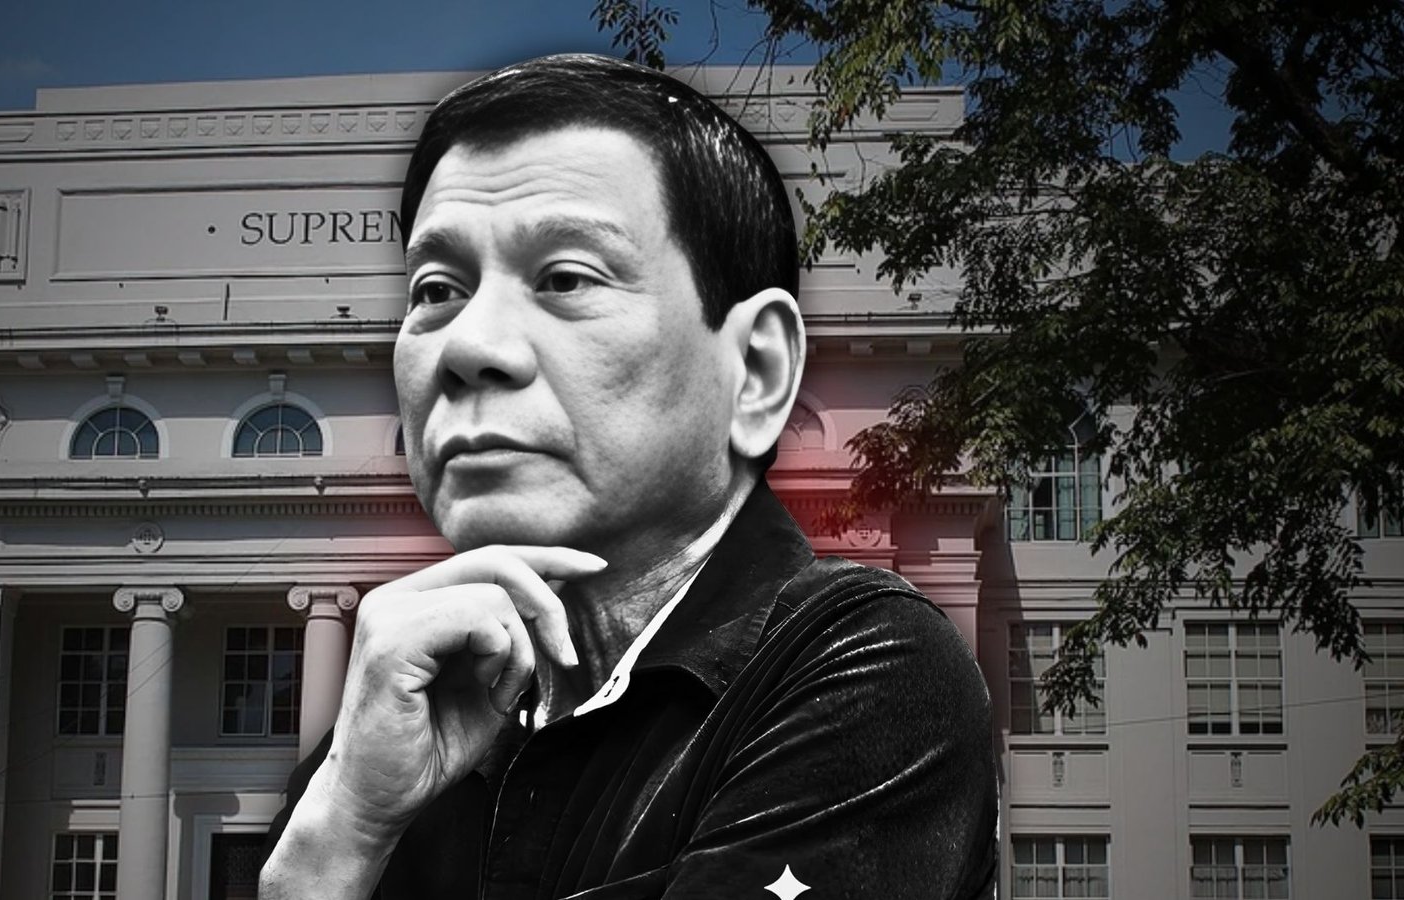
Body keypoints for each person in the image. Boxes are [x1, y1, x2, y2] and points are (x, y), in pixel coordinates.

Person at [261, 53, 997, 899]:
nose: (468, 345)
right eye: (436, 290)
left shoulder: (866, 667)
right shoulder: (368, 761)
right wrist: (340, 836)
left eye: (565, 278)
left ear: (755, 372)